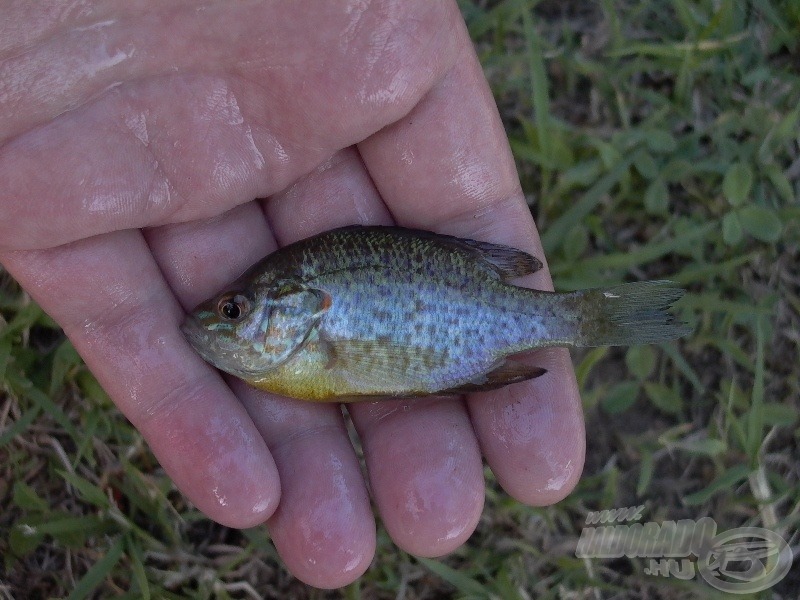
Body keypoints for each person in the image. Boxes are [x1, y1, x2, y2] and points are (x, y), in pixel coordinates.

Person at [0, 1, 585, 588]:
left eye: (237, 309)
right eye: (232, 309)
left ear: (299, 305)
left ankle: (597, 319)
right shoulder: (298, 351)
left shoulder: (304, 349)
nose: (219, 318)